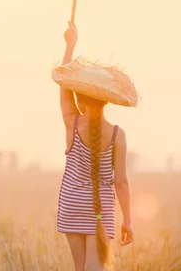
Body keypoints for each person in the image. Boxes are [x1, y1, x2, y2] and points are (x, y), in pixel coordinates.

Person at [53, 22, 137, 271]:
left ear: (79, 95)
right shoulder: (118, 136)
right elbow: (121, 182)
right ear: (106, 100)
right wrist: (128, 221)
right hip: (100, 212)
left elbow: (63, 82)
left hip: (71, 206)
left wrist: (70, 45)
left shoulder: (72, 124)